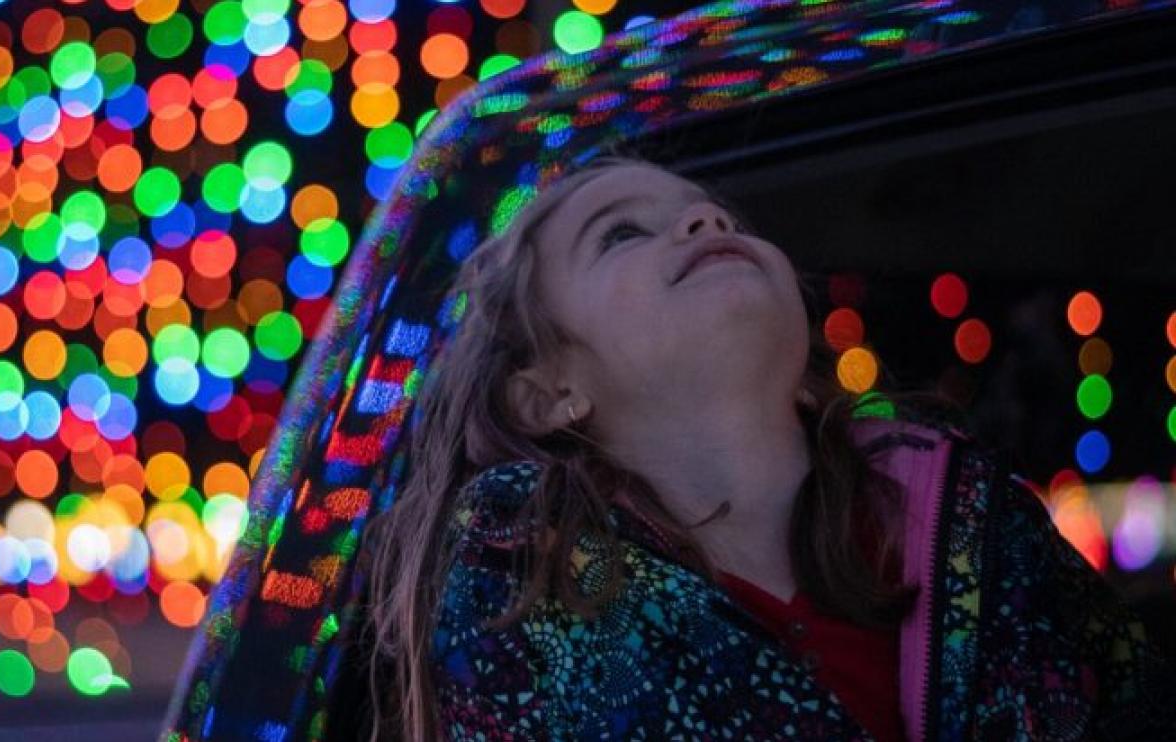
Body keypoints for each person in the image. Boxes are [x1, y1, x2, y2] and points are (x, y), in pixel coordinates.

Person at [351, 154, 1176, 741]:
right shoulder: (522, 598)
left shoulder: (974, 517)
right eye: (621, 235)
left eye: (713, 215)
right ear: (549, 391)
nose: (703, 219)